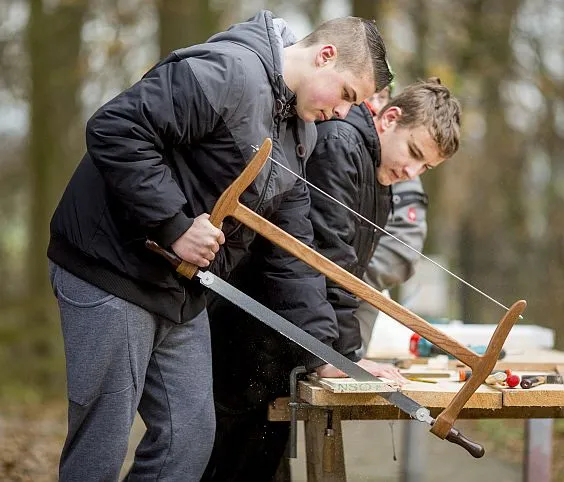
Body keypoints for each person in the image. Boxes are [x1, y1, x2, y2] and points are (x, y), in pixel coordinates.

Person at [47, 11, 393, 481]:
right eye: (348, 94)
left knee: (187, 441)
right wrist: (174, 224)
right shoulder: (229, 70)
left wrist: (323, 354)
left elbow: (295, 252)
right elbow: (116, 128)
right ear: (325, 56)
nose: (344, 113)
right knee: (101, 445)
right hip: (111, 266)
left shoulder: (300, 135)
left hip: (179, 291)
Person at [203, 78, 461, 481]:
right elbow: (327, 261)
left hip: (287, 338)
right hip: (251, 332)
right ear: (390, 118)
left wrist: (341, 354)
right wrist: (341, 357)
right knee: (223, 462)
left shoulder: (377, 171)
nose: (412, 171)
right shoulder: (340, 143)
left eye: (424, 167)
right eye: (413, 153)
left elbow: (348, 273)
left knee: (260, 464)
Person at [356, 87, 429, 354]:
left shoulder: (402, 167)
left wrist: (347, 278)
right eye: (368, 94)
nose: (374, 103)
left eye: (382, 96)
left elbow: (400, 252)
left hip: (353, 315)